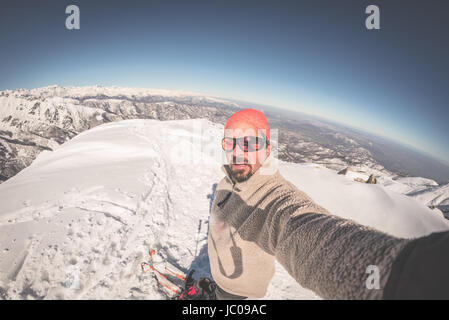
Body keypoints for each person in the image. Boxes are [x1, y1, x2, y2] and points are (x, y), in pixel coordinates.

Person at [178, 108, 449, 300]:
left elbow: (304, 229)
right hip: (223, 271)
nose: (238, 152)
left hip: (236, 288)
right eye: (231, 142)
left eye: (249, 142)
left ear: (268, 148)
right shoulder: (232, 175)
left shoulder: (274, 196)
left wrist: (404, 275)